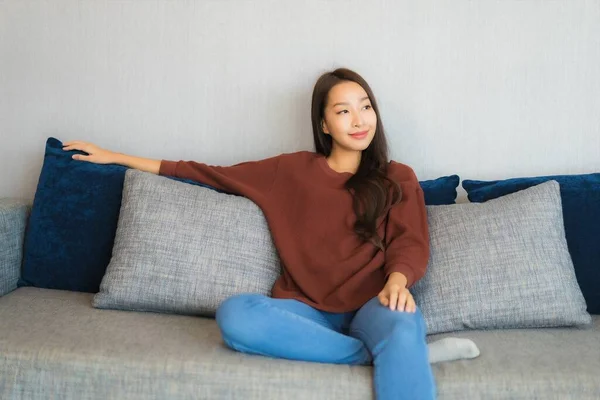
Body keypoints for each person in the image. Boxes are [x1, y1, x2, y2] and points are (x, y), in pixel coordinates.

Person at [63, 68, 479, 400]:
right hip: (306, 309)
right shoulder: (290, 172)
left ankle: (398, 348)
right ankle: (390, 357)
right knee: (236, 316)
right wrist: (114, 157)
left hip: (376, 302)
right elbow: (207, 172)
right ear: (324, 123)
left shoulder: (395, 176)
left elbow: (410, 240)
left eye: (365, 107)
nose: (359, 120)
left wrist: (397, 281)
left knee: (403, 323)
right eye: (343, 111)